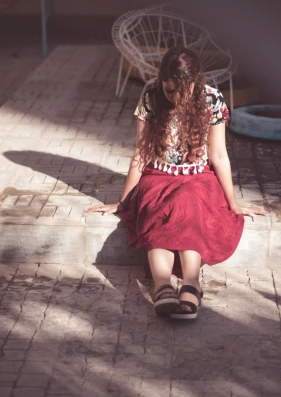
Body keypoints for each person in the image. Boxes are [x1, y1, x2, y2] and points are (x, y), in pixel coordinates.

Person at [86, 47, 269, 319]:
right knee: (158, 209)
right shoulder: (151, 98)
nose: (175, 97)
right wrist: (123, 202)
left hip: (199, 177)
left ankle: (191, 283)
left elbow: (218, 155)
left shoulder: (211, 99)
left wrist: (233, 204)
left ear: (195, 82)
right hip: (158, 175)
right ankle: (162, 288)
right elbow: (141, 153)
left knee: (190, 205)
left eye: (181, 91)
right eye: (169, 90)